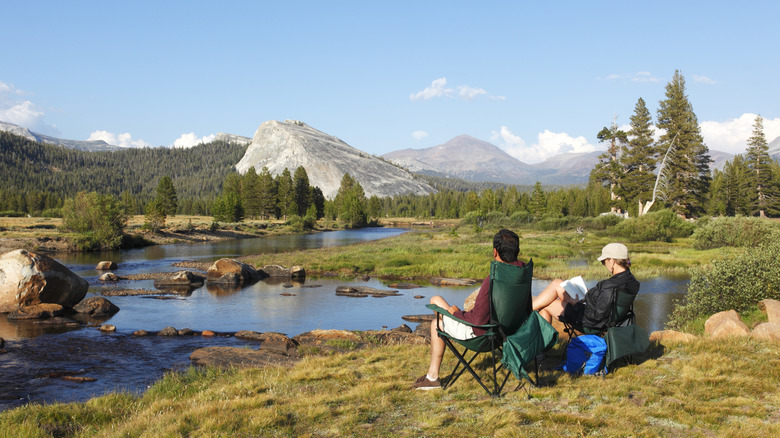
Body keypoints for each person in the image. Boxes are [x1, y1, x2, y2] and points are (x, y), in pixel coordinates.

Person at [413, 228, 526, 390]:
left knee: (436, 323)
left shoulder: (494, 279)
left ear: (495, 252)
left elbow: (478, 320)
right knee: (436, 299)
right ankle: (432, 374)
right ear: (517, 251)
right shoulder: (522, 272)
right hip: (509, 332)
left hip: (484, 335)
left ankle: (432, 378)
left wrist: (456, 313)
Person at [532, 243, 639, 331]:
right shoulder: (631, 280)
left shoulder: (608, 286)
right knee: (557, 282)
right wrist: (592, 292)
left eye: (603, 261)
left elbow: (596, 317)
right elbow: (607, 301)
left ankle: (526, 315)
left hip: (588, 321)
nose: (604, 264)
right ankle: (526, 311)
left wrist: (576, 304)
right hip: (602, 315)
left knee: (546, 305)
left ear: (612, 261)